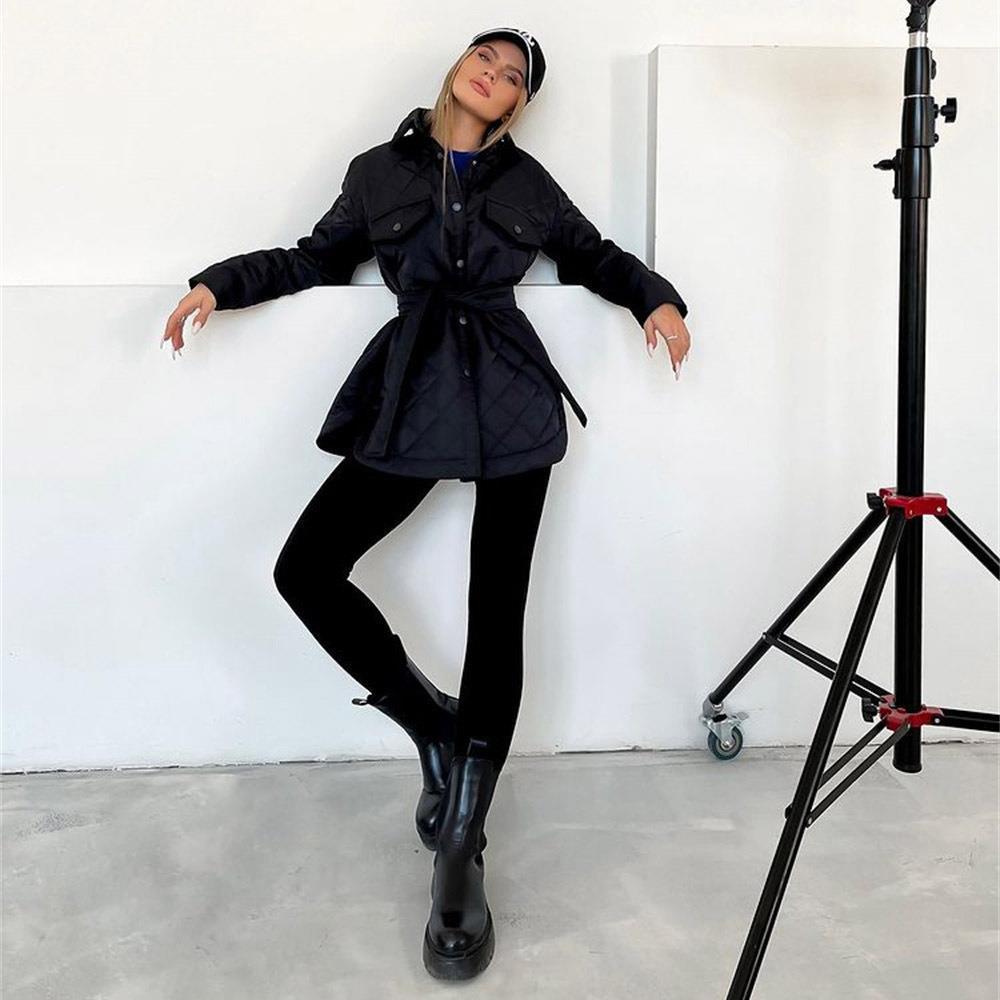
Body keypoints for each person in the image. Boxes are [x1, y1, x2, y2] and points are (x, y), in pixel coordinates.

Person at [163, 25, 691, 981]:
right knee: (306, 569)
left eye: (514, 75)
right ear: (458, 68)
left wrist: (656, 298)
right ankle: (432, 725)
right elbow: (312, 258)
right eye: (486, 58)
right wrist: (218, 285)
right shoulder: (378, 171)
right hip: (413, 396)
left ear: (519, 105)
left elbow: (593, 254)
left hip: (514, 401)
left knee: (498, 612)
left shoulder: (528, 185)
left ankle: (462, 847)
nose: (494, 75)